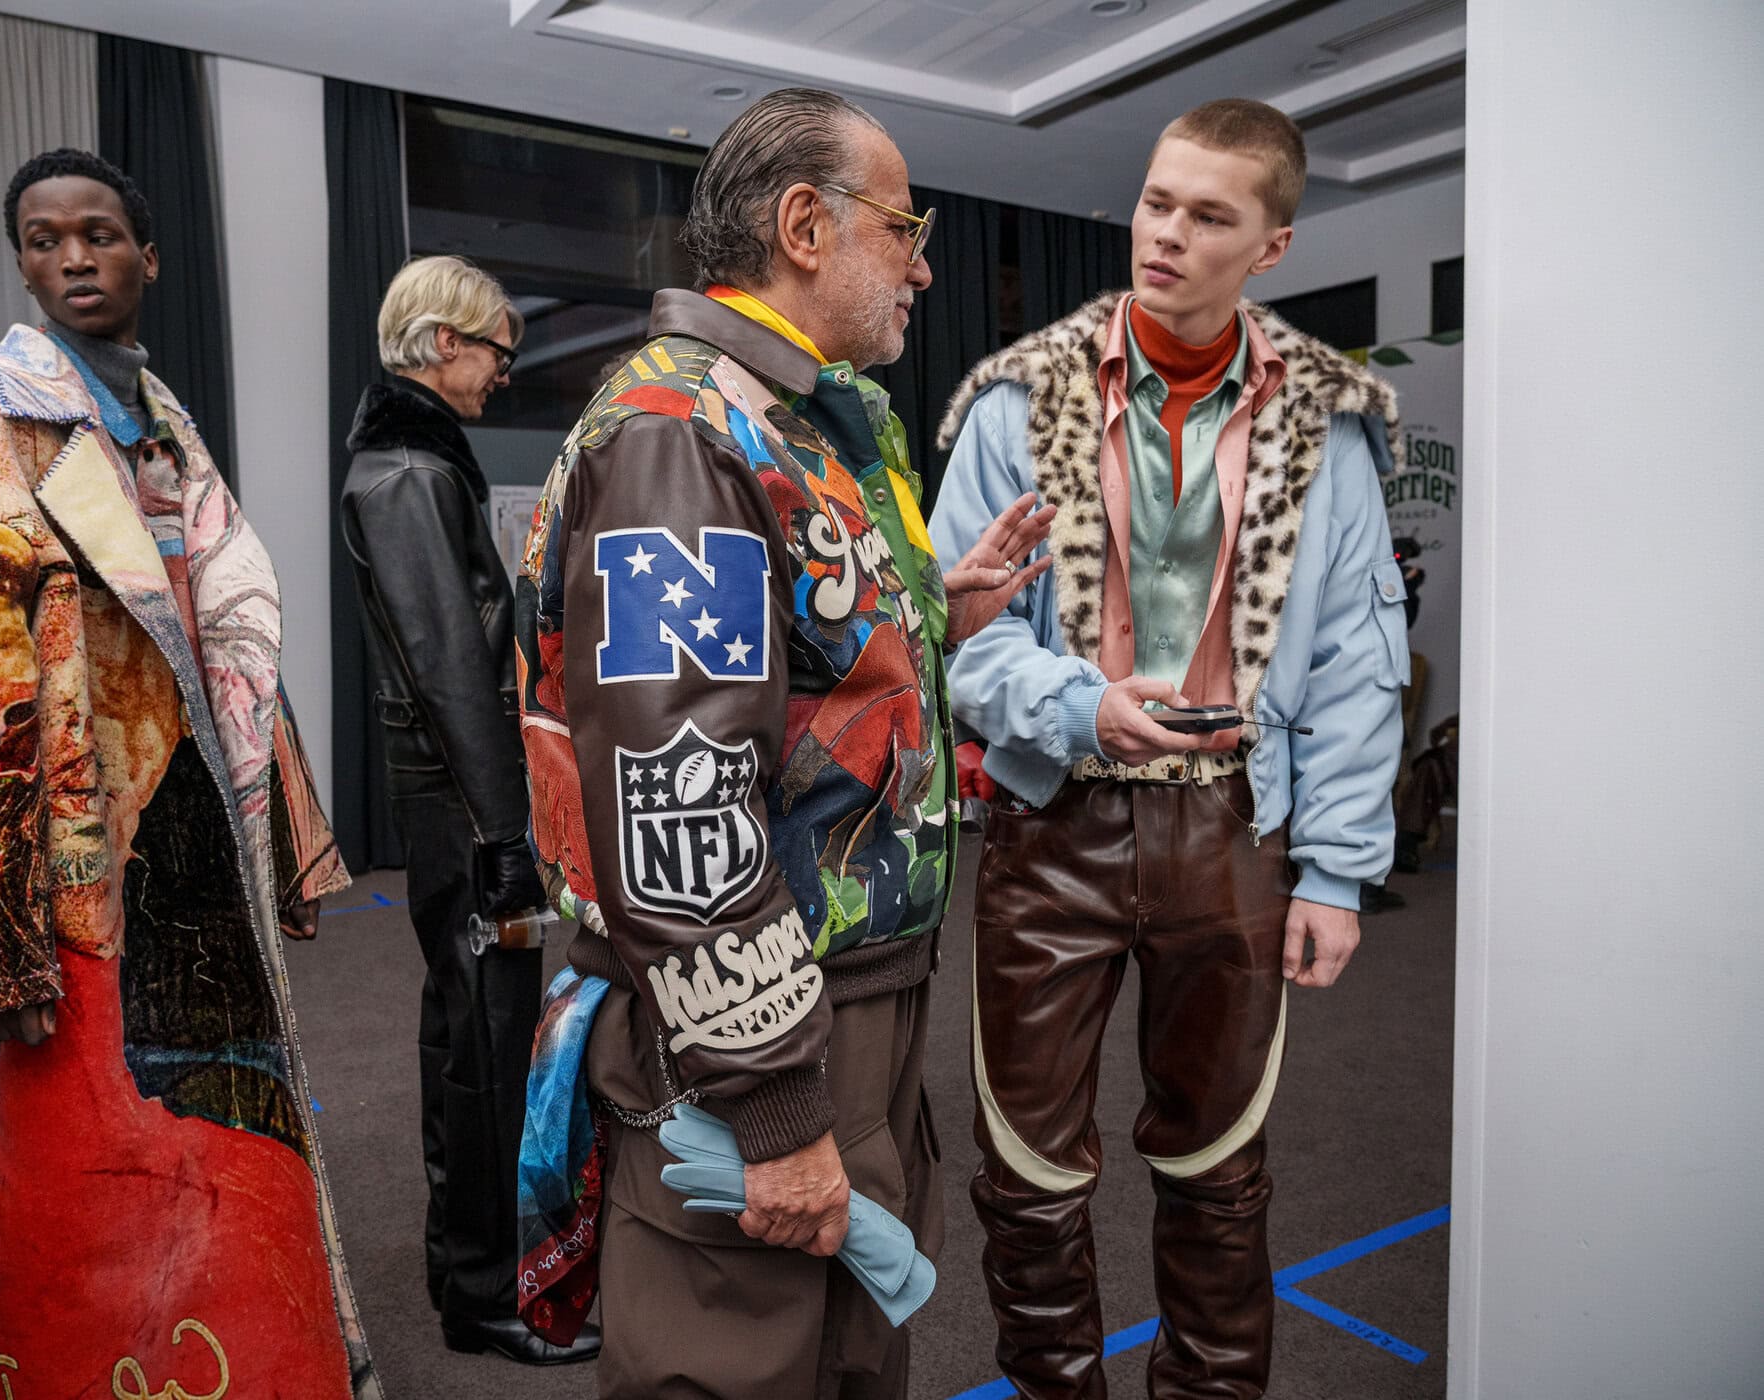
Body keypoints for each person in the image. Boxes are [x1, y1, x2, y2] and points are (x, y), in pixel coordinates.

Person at [516, 87, 1050, 1398]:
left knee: (836, 1354)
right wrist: (770, 1104)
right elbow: (672, 789)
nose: (924, 262)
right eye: (903, 225)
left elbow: (790, 684)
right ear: (806, 225)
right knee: (739, 1359)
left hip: (833, 1002)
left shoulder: (793, 412)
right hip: (748, 1024)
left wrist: (935, 615)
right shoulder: (677, 432)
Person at [0, 149, 381, 1398]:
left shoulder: (156, 418)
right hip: (73, 856)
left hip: (176, 843)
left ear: (148, 254)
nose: (72, 258)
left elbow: (225, 635)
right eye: (42, 240)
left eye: (97, 235)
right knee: (78, 1174)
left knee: (199, 1150)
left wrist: (280, 840)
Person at [930, 98, 1408, 1397]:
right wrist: (1083, 706)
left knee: (1219, 1170)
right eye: (1156, 201)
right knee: (1024, 1179)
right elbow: (964, 642)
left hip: (1236, 832)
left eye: (1209, 216)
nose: (1168, 234)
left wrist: (1335, 871)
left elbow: (1362, 661)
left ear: (1272, 247)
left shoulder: (1325, 433)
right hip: (1053, 827)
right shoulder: (1015, 407)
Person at [338, 254, 599, 1365]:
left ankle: (466, 1267)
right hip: (466, 804)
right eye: (496, 345)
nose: (506, 367)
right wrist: (508, 838)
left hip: (454, 797)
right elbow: (454, 671)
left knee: (465, 1031)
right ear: (442, 344)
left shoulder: (408, 459)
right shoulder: (407, 473)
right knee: (486, 1038)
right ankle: (485, 1295)